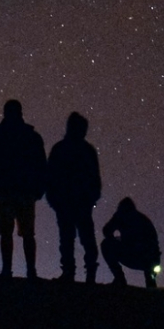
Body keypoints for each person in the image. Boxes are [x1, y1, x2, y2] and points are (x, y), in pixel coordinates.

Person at [0, 100, 47, 279]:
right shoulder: (31, 137)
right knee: (27, 233)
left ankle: (7, 270)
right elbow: (41, 165)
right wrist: (40, 188)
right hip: (25, 191)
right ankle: (30, 271)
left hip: (5, 190)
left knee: (6, 232)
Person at [46, 112, 101, 283]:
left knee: (70, 238)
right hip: (75, 202)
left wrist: (53, 198)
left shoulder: (60, 149)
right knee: (81, 238)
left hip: (70, 202)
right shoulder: (86, 151)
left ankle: (71, 272)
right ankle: (87, 273)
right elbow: (94, 178)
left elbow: (50, 176)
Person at [101, 197, 161, 288]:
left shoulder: (123, 217)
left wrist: (115, 239)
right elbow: (106, 230)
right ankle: (149, 284)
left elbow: (107, 230)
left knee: (106, 245)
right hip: (145, 257)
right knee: (106, 245)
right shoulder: (142, 219)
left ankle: (120, 279)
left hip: (143, 256)